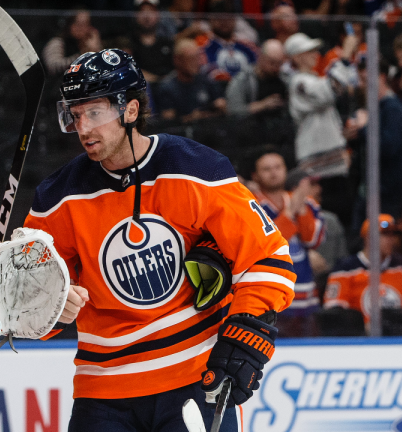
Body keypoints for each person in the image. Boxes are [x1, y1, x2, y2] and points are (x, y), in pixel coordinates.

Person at [26, 48, 295, 431]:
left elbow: (267, 258)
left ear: (131, 110)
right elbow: (31, 310)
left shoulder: (196, 169)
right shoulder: (57, 198)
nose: (83, 127)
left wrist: (246, 329)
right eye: (75, 114)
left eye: (95, 113)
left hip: (192, 379)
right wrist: (45, 306)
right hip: (102, 393)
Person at [250, 150, 325, 337]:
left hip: (305, 294)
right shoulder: (249, 204)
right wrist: (290, 211)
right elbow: (266, 243)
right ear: (255, 175)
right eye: (266, 169)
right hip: (267, 296)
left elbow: (312, 240)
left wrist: (300, 210)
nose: (273, 173)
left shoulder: (306, 202)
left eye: (278, 167)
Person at [344, 59, 402, 221]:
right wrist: (353, 135)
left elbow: (388, 146)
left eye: (365, 80)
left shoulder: (393, 108)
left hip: (389, 191)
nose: (361, 85)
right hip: (371, 187)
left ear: (381, 77)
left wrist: (364, 129)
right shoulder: (373, 107)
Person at [324, 214, 402, 332]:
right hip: (358, 340)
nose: (391, 239)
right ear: (368, 237)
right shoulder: (345, 269)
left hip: (396, 338)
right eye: (385, 234)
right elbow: (334, 311)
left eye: (393, 234)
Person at [285, 32, 350, 170]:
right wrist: (344, 58)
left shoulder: (314, 79)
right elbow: (328, 92)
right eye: (309, 51)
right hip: (315, 157)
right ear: (296, 57)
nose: (315, 54)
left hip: (330, 153)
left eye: (315, 51)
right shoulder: (298, 83)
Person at [157, 38, 226, 122]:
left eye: (198, 58)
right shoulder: (168, 88)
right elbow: (168, 122)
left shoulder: (206, 81)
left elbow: (221, 106)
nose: (197, 63)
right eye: (191, 59)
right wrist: (190, 118)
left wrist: (220, 108)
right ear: (177, 60)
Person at [199, 0, 258, 83]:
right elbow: (204, 70)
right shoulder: (204, 44)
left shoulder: (247, 45)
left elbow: (257, 69)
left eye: (229, 18)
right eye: (220, 18)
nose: (225, 22)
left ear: (235, 20)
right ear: (211, 20)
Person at [226, 39, 287, 117]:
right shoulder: (243, 79)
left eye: (279, 63)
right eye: (272, 63)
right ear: (260, 58)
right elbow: (233, 110)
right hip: (252, 126)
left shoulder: (285, 79)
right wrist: (262, 105)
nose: (276, 68)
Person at [42, 9, 103, 76]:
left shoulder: (86, 43)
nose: (81, 28)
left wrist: (96, 49)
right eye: (77, 23)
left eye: (85, 24)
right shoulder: (58, 42)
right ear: (68, 24)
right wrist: (83, 56)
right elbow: (53, 67)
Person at [128, 0, 174, 85]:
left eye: (151, 11)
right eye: (142, 11)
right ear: (135, 15)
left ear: (158, 15)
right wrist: (158, 80)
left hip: (168, 90)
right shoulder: (130, 43)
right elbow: (129, 70)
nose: (147, 16)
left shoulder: (167, 43)